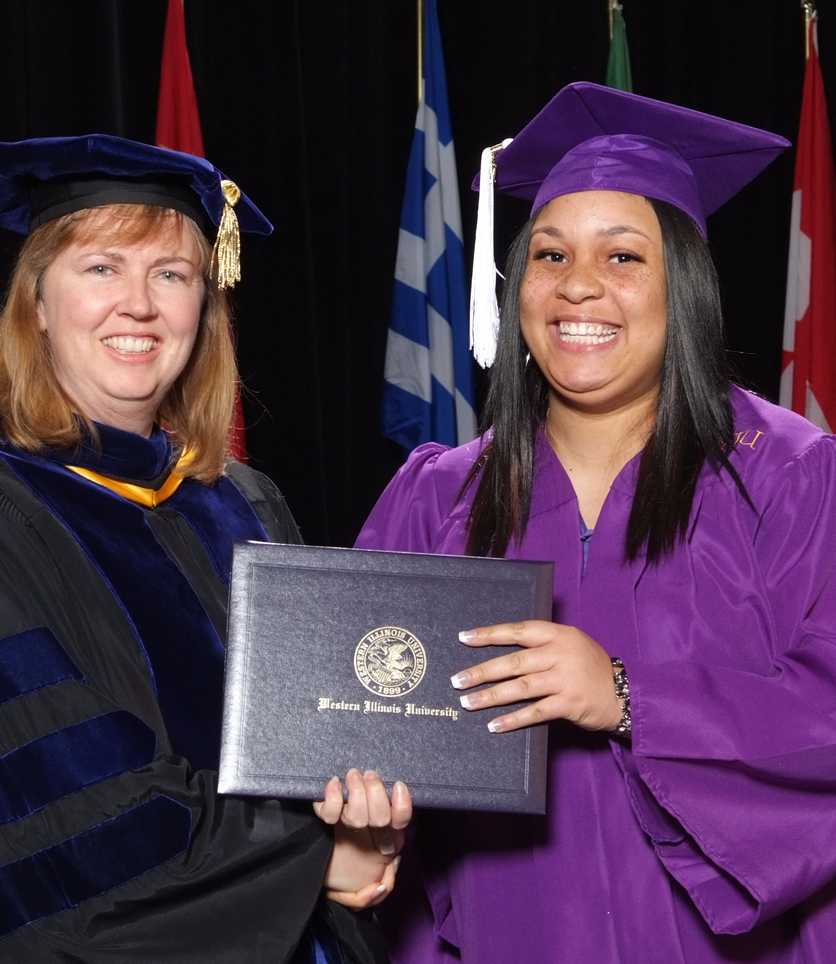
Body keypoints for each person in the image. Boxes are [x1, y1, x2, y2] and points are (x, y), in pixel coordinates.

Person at [356, 82, 836, 962]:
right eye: (549, 255)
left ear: (683, 285)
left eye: (623, 256)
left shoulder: (791, 476)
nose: (579, 285)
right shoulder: (439, 497)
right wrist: (356, 836)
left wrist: (627, 696)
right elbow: (362, 721)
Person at [0, 134, 410, 964]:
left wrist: (366, 824)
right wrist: (308, 860)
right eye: (102, 268)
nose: (139, 306)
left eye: (172, 275)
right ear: (37, 302)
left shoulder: (243, 503)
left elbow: (322, 735)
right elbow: (61, 796)